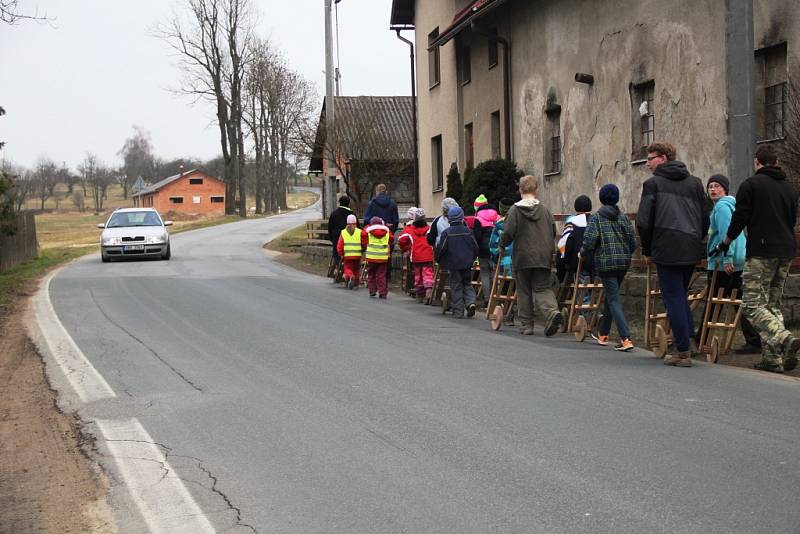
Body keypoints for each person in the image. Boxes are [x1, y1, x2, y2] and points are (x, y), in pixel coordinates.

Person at [714, 145, 800, 373]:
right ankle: (772, 360)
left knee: (752, 305)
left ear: (757, 162)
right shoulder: (790, 189)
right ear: (776, 161)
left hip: (761, 251)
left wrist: (726, 242)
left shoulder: (751, 185)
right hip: (787, 250)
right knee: (772, 304)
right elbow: (791, 221)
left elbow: (739, 217)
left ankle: (783, 338)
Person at [636, 142, 709, 367]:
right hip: (690, 246)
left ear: (664, 158)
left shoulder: (652, 184)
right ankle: (690, 339)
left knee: (673, 298)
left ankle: (682, 350)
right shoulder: (695, 184)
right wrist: (697, 238)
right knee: (680, 295)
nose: (647, 163)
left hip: (666, 246)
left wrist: (647, 250)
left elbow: (644, 222)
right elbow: (706, 217)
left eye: (651, 158)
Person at [698, 174, 761, 352]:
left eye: (717, 186)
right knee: (738, 301)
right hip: (738, 260)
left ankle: (700, 339)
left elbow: (727, 234)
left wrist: (726, 258)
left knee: (713, 302)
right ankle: (754, 340)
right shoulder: (732, 206)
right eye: (710, 186)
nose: (712, 189)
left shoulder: (723, 207)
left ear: (725, 189)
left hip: (723, 262)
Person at [499, 175, 564, 336]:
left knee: (524, 291)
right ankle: (551, 312)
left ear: (520, 190)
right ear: (536, 191)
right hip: (543, 255)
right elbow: (553, 231)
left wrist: (502, 245)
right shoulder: (545, 210)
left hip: (523, 256)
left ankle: (527, 326)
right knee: (542, 287)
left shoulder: (515, 210)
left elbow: (508, 232)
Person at [581, 184, 638, 351]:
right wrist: (625, 254)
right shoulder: (623, 218)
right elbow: (632, 242)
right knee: (610, 297)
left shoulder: (597, 218)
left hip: (606, 263)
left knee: (613, 299)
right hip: (623, 263)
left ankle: (625, 337)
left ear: (601, 199)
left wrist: (582, 252)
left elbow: (590, 241)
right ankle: (603, 334)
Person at [436, 206, 479, 318]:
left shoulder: (447, 233)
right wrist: (472, 258)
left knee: (456, 286)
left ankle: (458, 311)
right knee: (467, 283)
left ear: (449, 219)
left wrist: (439, 259)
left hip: (453, 263)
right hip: (467, 263)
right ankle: (471, 303)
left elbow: (441, 249)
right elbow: (475, 247)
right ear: (462, 218)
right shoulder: (468, 231)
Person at [398, 208, 435, 302]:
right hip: (428, 256)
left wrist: (405, 248)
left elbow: (401, 240)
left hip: (416, 256)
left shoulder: (409, 230)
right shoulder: (429, 229)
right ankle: (429, 288)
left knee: (418, 275)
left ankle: (420, 293)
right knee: (428, 273)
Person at [489, 198, 516, 325]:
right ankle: (514, 312)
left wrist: (494, 256)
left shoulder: (499, 225)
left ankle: (507, 313)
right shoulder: (519, 223)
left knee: (504, 289)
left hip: (504, 261)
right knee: (516, 288)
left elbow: (493, 245)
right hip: (517, 260)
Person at [557, 195, 593, 283]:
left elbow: (564, 246)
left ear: (576, 207)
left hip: (579, 265)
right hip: (596, 265)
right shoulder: (596, 220)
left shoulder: (572, 222)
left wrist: (562, 264)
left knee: (582, 294)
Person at [472, 194, 500, 303]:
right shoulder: (497, 217)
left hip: (483, 251)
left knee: (484, 273)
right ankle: (496, 297)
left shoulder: (478, 219)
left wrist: (476, 250)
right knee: (495, 273)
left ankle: (487, 298)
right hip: (496, 249)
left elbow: (477, 237)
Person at [361, 216, 394, 299]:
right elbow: (391, 239)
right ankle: (382, 292)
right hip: (383, 257)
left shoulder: (368, 232)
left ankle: (372, 290)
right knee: (381, 275)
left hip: (371, 256)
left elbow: (363, 240)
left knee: (371, 273)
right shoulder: (386, 231)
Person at [335, 214, 363, 290]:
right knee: (356, 269)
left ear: (347, 223)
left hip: (347, 255)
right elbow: (363, 242)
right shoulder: (360, 232)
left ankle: (350, 276)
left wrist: (340, 253)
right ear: (356, 223)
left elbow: (339, 245)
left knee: (347, 268)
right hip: (357, 255)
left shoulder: (343, 232)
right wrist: (362, 250)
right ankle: (356, 284)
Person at [328, 195, 354, 260]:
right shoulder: (352, 214)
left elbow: (330, 227)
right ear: (348, 203)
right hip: (350, 241)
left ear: (340, 203)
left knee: (337, 257)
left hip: (337, 238)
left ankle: (337, 267)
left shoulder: (334, 214)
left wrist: (332, 239)